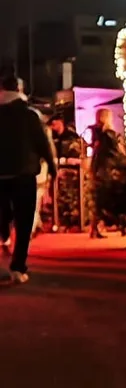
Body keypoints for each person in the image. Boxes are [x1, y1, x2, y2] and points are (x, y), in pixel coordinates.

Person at [0, 74, 56, 283]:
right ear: (20, 90)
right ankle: (18, 266)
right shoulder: (30, 115)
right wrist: (52, 167)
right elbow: (43, 144)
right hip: (24, 174)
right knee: (24, 221)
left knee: (2, 214)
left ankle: (4, 235)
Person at [88, 108, 126, 239]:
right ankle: (119, 225)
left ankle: (94, 227)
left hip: (97, 168)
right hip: (107, 169)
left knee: (98, 199)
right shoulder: (109, 134)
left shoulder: (96, 133)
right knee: (110, 198)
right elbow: (115, 152)